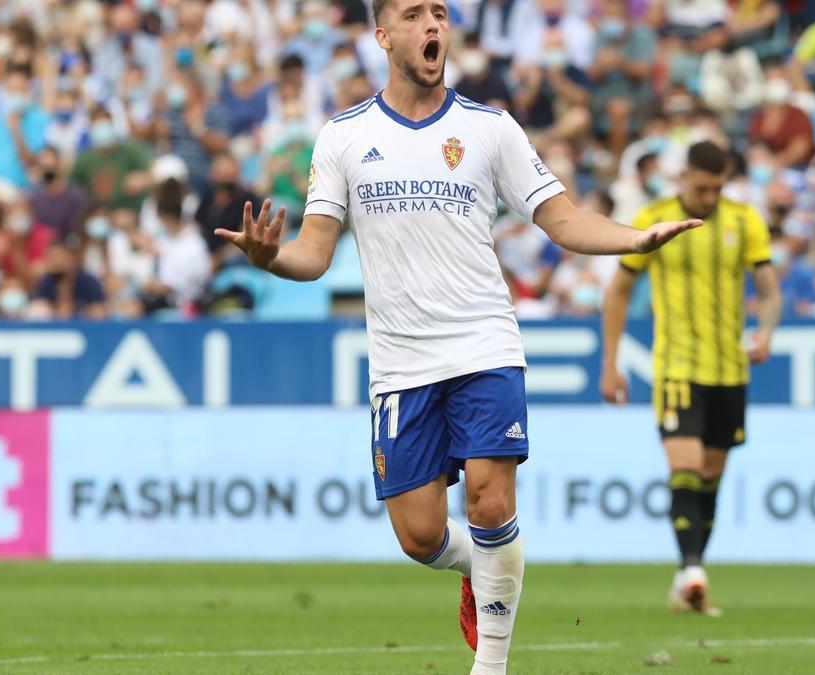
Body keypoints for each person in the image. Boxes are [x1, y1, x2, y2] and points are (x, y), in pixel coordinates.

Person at [213, 1, 698, 671]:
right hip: (401, 362)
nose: (432, 25)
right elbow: (314, 253)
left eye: (439, 13)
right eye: (413, 15)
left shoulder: (489, 128)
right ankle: (489, 569)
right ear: (383, 36)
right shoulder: (344, 136)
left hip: (485, 345)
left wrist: (634, 239)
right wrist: (269, 258)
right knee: (419, 536)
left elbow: (560, 218)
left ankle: (491, 664)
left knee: (490, 497)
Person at [600, 141, 782, 614]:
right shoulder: (654, 219)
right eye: (702, 187)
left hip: (730, 369)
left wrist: (766, 331)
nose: (710, 196)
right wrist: (610, 363)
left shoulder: (745, 220)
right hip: (677, 367)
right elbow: (619, 290)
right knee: (684, 465)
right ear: (684, 179)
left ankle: (686, 579)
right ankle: (693, 569)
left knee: (711, 477)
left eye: (718, 187)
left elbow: (767, 287)